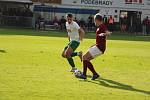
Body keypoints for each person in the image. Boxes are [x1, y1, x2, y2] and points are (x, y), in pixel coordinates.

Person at [79, 13, 111, 80]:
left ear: (97, 20)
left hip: (99, 48)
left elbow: (108, 33)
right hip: (99, 47)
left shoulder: (102, 26)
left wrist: (104, 34)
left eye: (94, 20)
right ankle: (94, 74)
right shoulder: (100, 27)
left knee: (84, 57)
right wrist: (93, 45)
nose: (94, 21)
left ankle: (85, 74)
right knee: (86, 59)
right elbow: (101, 38)